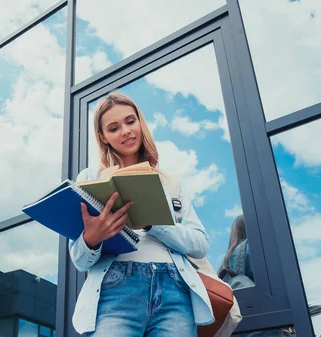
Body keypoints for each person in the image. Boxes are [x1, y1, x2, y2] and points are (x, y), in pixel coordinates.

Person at [69, 92, 214, 337]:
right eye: (114, 128)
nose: (125, 131)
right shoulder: (90, 178)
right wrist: (91, 238)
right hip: (116, 288)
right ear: (103, 137)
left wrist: (153, 223)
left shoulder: (170, 182)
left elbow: (200, 244)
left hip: (174, 289)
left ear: (140, 123)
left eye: (130, 121)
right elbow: (80, 261)